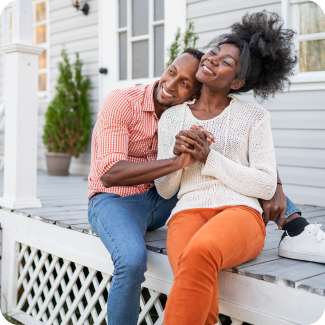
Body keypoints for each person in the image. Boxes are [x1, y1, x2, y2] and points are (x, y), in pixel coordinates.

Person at [87, 45, 323, 325]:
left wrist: (276, 185)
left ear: (196, 91)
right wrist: (178, 162)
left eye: (185, 83)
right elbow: (111, 174)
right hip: (118, 197)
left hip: (170, 198)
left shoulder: (220, 112)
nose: (171, 86)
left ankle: (296, 225)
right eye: (171, 72)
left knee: (205, 241)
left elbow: (240, 143)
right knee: (133, 259)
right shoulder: (126, 102)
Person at [154, 11, 325, 325]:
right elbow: (166, 189)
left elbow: (263, 185)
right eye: (214, 52)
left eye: (225, 62)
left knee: (199, 253)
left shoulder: (254, 117)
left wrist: (209, 157)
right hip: (187, 212)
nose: (212, 59)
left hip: (240, 213)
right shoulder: (173, 118)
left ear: (237, 81)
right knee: (190, 269)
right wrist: (178, 160)